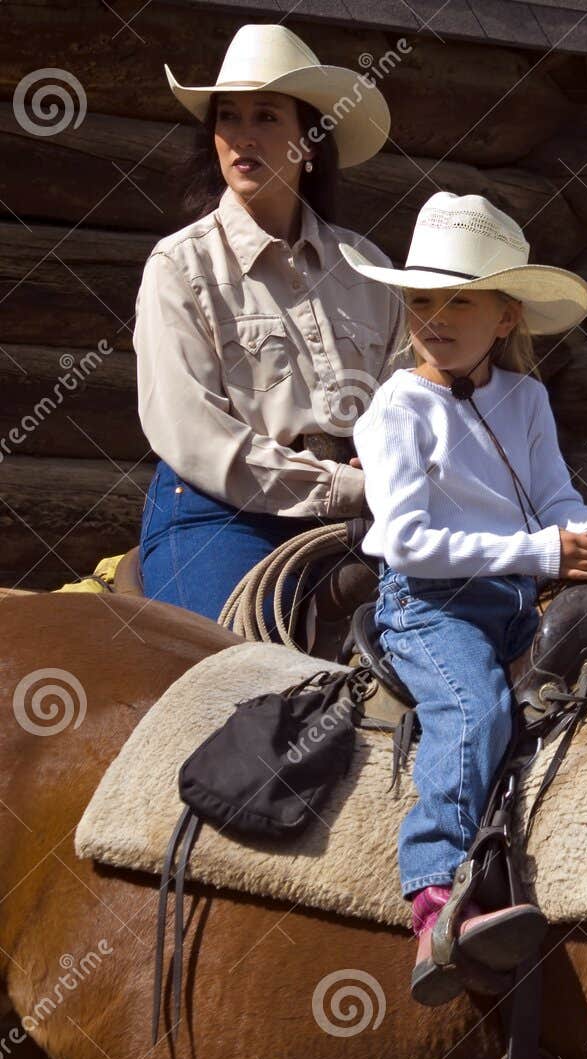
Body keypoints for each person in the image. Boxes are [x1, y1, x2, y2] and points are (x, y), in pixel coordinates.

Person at [347, 191, 587, 1005]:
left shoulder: (526, 399)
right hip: (429, 607)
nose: (435, 318)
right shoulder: (396, 408)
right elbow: (406, 541)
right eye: (422, 301)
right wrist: (543, 552)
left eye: (459, 302)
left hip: (515, 604)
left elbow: (553, 500)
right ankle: (434, 897)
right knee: (474, 711)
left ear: (506, 317)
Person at [134, 24, 402, 629]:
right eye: (228, 117)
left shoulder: (370, 269)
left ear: (311, 142)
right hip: (221, 515)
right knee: (242, 671)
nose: (242, 135)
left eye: (266, 116)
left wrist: (389, 468)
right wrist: (342, 487)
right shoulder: (180, 265)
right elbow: (193, 431)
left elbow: (409, 402)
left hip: (368, 512)